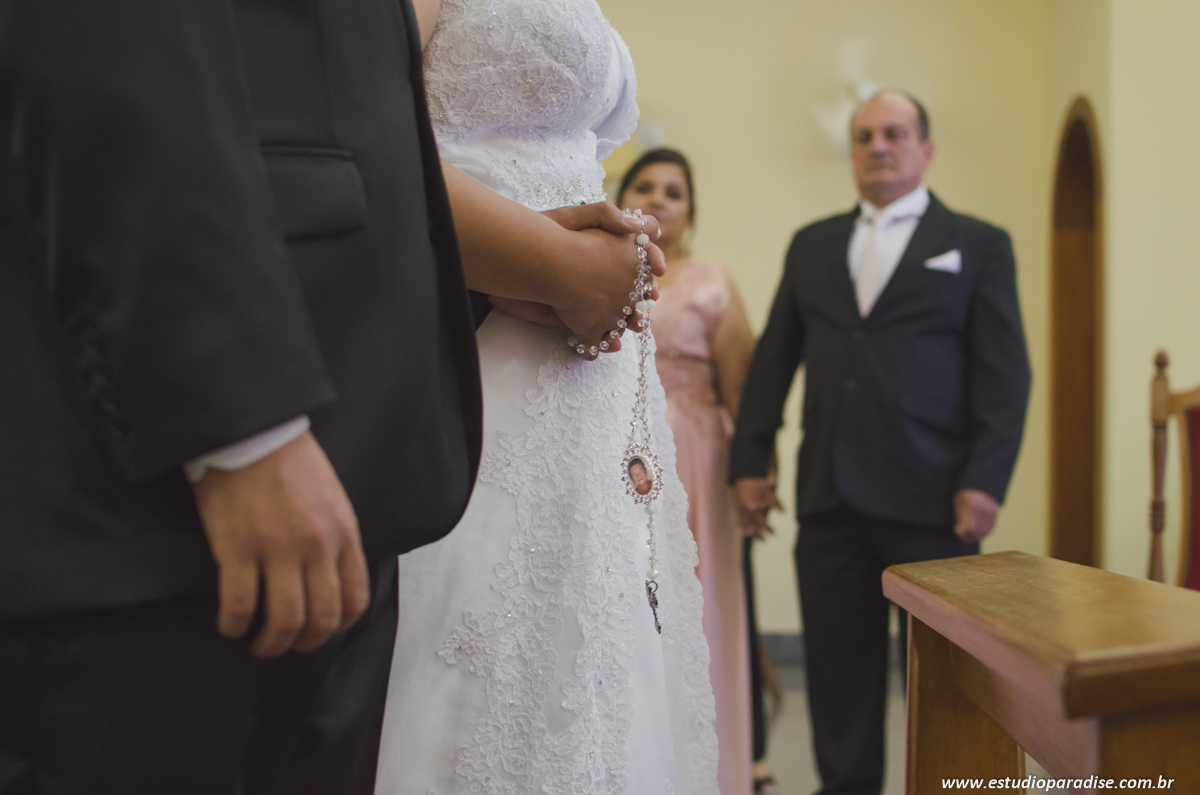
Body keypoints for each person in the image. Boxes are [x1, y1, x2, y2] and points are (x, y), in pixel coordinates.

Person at [0, 1, 662, 792]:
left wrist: (482, 277)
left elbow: (360, 121)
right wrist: (247, 428)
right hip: (208, 430)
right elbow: (131, 72)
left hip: (397, 424)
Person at [373, 2, 719, 794]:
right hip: (476, 338)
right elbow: (374, 138)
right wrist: (556, 267)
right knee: (482, 626)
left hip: (588, 385)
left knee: (599, 646)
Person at [730, 92, 1031, 795]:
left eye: (894, 133)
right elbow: (773, 363)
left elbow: (1005, 373)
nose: (878, 146)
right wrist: (749, 462)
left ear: (926, 148)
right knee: (837, 674)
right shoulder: (811, 244)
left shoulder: (980, 244)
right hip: (829, 495)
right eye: (864, 136)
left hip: (934, 497)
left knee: (948, 678)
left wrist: (987, 478)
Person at [618, 149, 761, 795]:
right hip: (618, 452)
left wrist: (755, 473)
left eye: (673, 191)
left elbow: (741, 385)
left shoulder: (712, 281)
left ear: (691, 212)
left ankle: (712, 766)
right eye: (645, 185)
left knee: (701, 598)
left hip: (697, 456)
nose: (658, 198)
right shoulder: (601, 267)